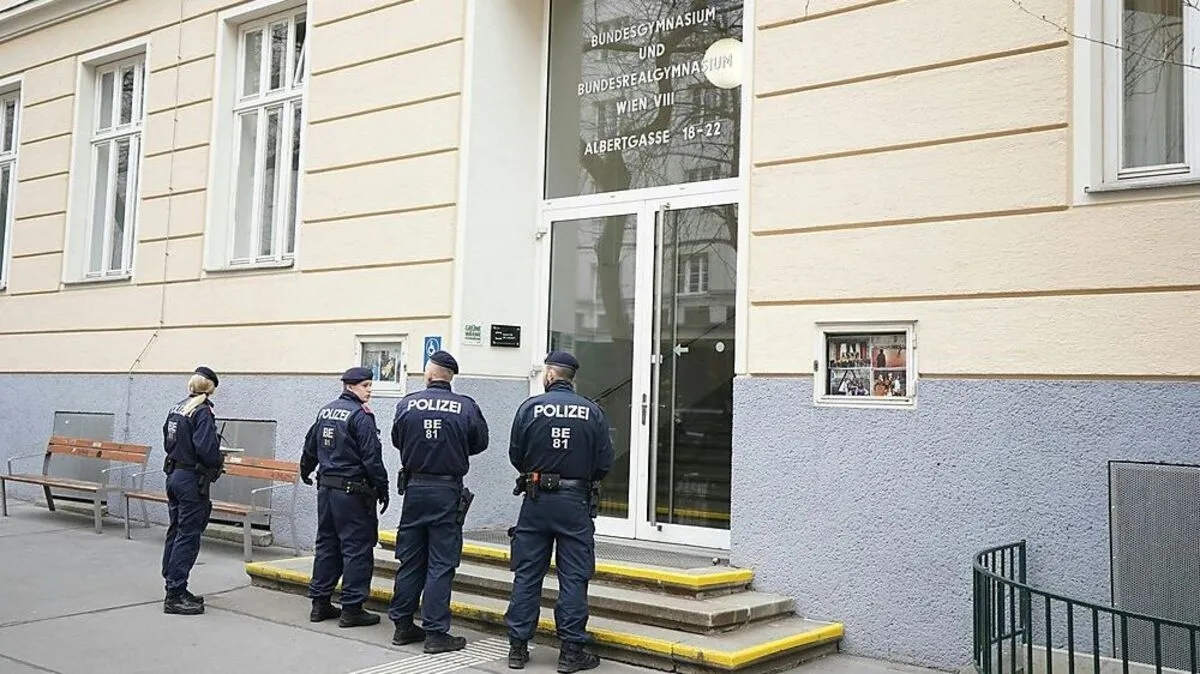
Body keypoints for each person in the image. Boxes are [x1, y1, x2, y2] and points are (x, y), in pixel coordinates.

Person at [504, 351, 614, 672]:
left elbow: (516, 454)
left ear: (550, 375)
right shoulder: (592, 412)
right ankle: (570, 652)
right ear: (571, 377)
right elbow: (604, 462)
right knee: (574, 576)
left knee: (527, 573)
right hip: (575, 502)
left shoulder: (530, 408)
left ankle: (517, 648)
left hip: (536, 499)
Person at [388, 350, 489, 652]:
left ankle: (402, 625)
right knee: (441, 563)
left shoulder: (407, 404)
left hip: (415, 489)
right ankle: (435, 632)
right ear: (450, 377)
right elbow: (479, 442)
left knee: (411, 559)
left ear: (430, 374)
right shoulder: (466, 406)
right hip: (446, 490)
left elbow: (397, 439)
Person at [301, 366, 390, 628]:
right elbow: (371, 457)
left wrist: (305, 470)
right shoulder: (360, 416)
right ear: (350, 386)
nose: (370, 390)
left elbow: (310, 446)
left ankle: (319, 603)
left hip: (327, 490)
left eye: (370, 385)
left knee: (327, 545)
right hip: (352, 493)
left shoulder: (325, 411)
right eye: (365, 385)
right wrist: (382, 487)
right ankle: (352, 608)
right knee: (357, 548)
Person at [161, 366, 224, 616]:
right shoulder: (202, 411)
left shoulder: (178, 408)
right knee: (188, 535)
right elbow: (206, 449)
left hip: (174, 475)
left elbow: (167, 441)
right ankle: (175, 593)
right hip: (191, 481)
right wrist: (218, 462)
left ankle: (173, 584)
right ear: (211, 389)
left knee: (176, 530)